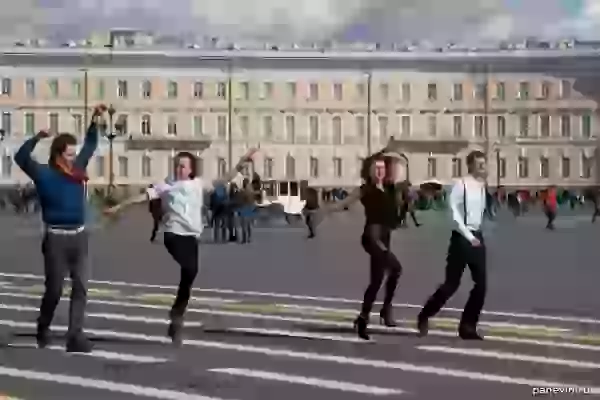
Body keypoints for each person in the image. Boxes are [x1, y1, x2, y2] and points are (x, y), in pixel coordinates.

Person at [104, 149, 257, 345]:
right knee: (190, 268)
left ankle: (177, 315)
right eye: (177, 164)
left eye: (182, 165)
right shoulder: (167, 185)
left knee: (189, 276)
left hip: (191, 236)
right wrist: (119, 206)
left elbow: (224, 179)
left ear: (191, 168)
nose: (179, 168)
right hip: (173, 234)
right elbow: (142, 197)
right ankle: (177, 315)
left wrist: (242, 162)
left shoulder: (198, 184)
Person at [14, 104, 106, 353]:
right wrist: (37, 137)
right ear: (57, 155)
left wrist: (95, 120)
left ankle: (75, 336)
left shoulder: (78, 171)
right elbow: (21, 158)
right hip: (55, 239)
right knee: (54, 289)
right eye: (68, 154)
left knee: (81, 287)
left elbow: (90, 145)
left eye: (74, 154)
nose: (74, 158)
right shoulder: (43, 174)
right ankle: (43, 326)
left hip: (79, 237)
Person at [311, 148, 404, 340]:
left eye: (381, 168)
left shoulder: (391, 189)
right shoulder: (365, 189)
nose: (379, 171)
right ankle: (385, 310)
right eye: (375, 168)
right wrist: (324, 210)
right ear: (369, 171)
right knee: (395, 268)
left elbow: (395, 218)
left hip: (384, 238)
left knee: (377, 281)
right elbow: (343, 203)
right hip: (372, 238)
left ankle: (363, 318)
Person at [417, 150, 488, 341]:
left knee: (481, 285)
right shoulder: (460, 185)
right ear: (470, 165)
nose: (483, 167)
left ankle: (468, 326)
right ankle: (425, 314)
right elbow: (454, 214)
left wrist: (478, 234)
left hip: (477, 236)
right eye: (479, 164)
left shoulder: (481, 186)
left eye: (484, 163)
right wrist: (467, 235)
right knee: (451, 285)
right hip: (461, 239)